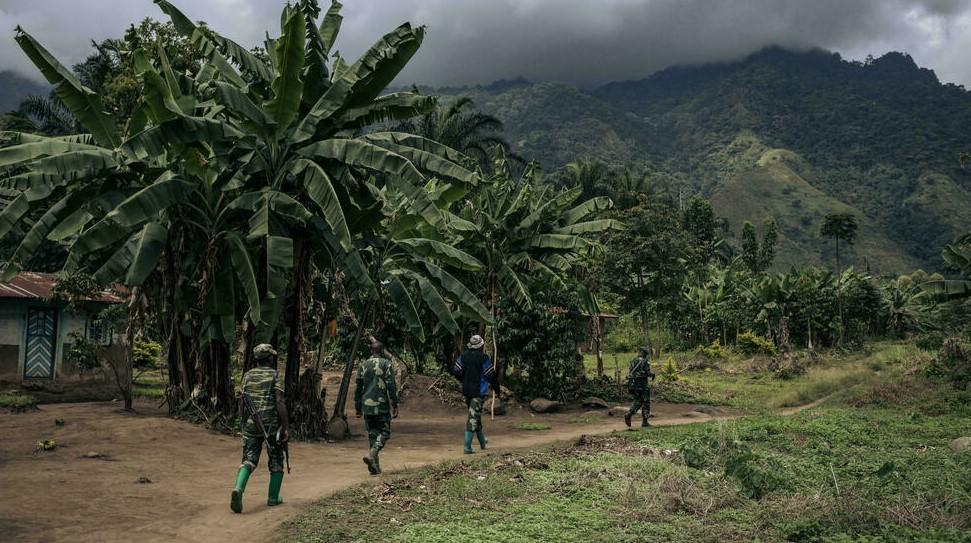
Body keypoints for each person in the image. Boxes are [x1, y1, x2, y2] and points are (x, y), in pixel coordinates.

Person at [231, 343, 289, 514]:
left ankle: (238, 489)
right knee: (276, 460)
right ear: (270, 358)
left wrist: (243, 423)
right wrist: (285, 426)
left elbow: (242, 401)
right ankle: (273, 498)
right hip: (271, 426)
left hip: (251, 423)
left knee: (248, 459)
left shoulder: (248, 376)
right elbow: (279, 401)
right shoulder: (275, 375)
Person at [355, 340, 399, 476]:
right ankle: (372, 454)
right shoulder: (386, 364)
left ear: (371, 351)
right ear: (382, 352)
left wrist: (357, 407)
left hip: (367, 405)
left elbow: (358, 388)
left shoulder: (363, 365)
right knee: (385, 432)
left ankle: (374, 467)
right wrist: (395, 404)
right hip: (381, 405)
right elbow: (391, 385)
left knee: (372, 434)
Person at [452, 334, 500, 454]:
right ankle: (467, 447)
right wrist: (496, 389)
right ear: (481, 346)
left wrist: (464, 379)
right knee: (473, 418)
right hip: (478, 393)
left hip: (467, 391)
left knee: (475, 417)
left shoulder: (463, 356)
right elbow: (491, 376)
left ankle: (483, 443)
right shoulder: (483, 358)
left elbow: (456, 371)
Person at [624, 346, 655, 429]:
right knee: (646, 402)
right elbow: (648, 373)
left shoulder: (633, 360)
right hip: (642, 385)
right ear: (645, 354)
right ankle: (645, 422)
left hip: (633, 385)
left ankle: (629, 414)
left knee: (637, 401)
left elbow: (631, 371)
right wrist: (652, 375)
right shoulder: (645, 361)